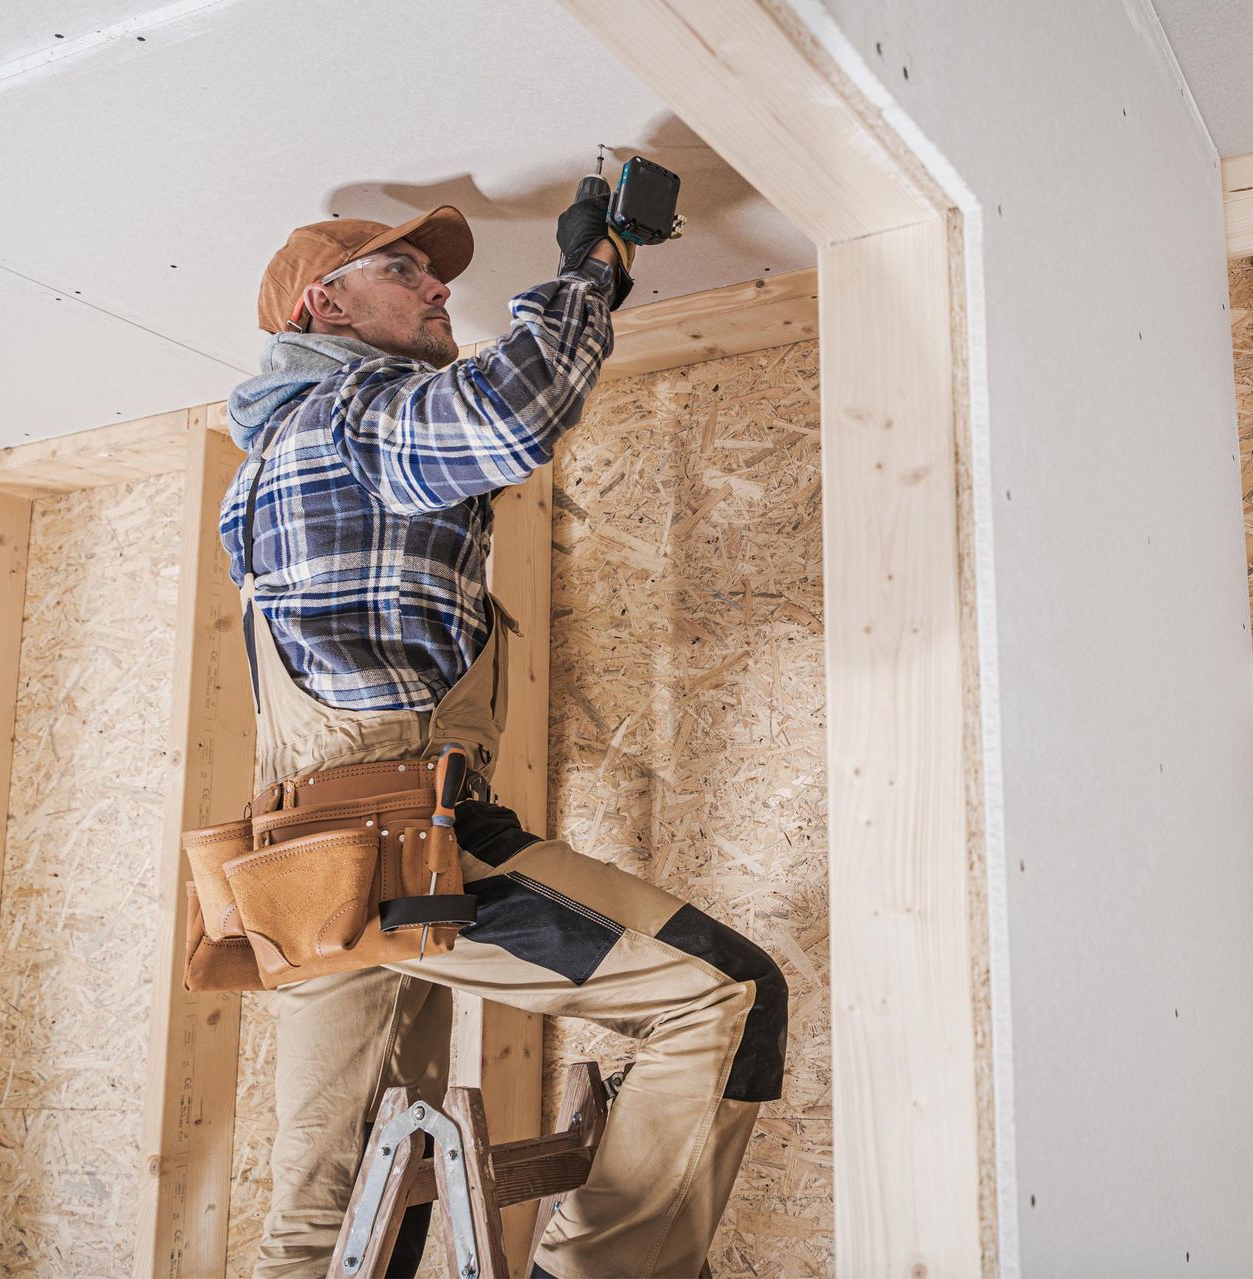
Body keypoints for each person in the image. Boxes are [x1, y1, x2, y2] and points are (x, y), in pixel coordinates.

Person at [220, 197, 787, 1279]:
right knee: (723, 993)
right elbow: (511, 413)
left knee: (335, 1219)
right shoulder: (350, 412)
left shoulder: (276, 462)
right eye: (405, 271)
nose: (439, 288)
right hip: (403, 842)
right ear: (321, 305)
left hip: (309, 873)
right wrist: (595, 265)